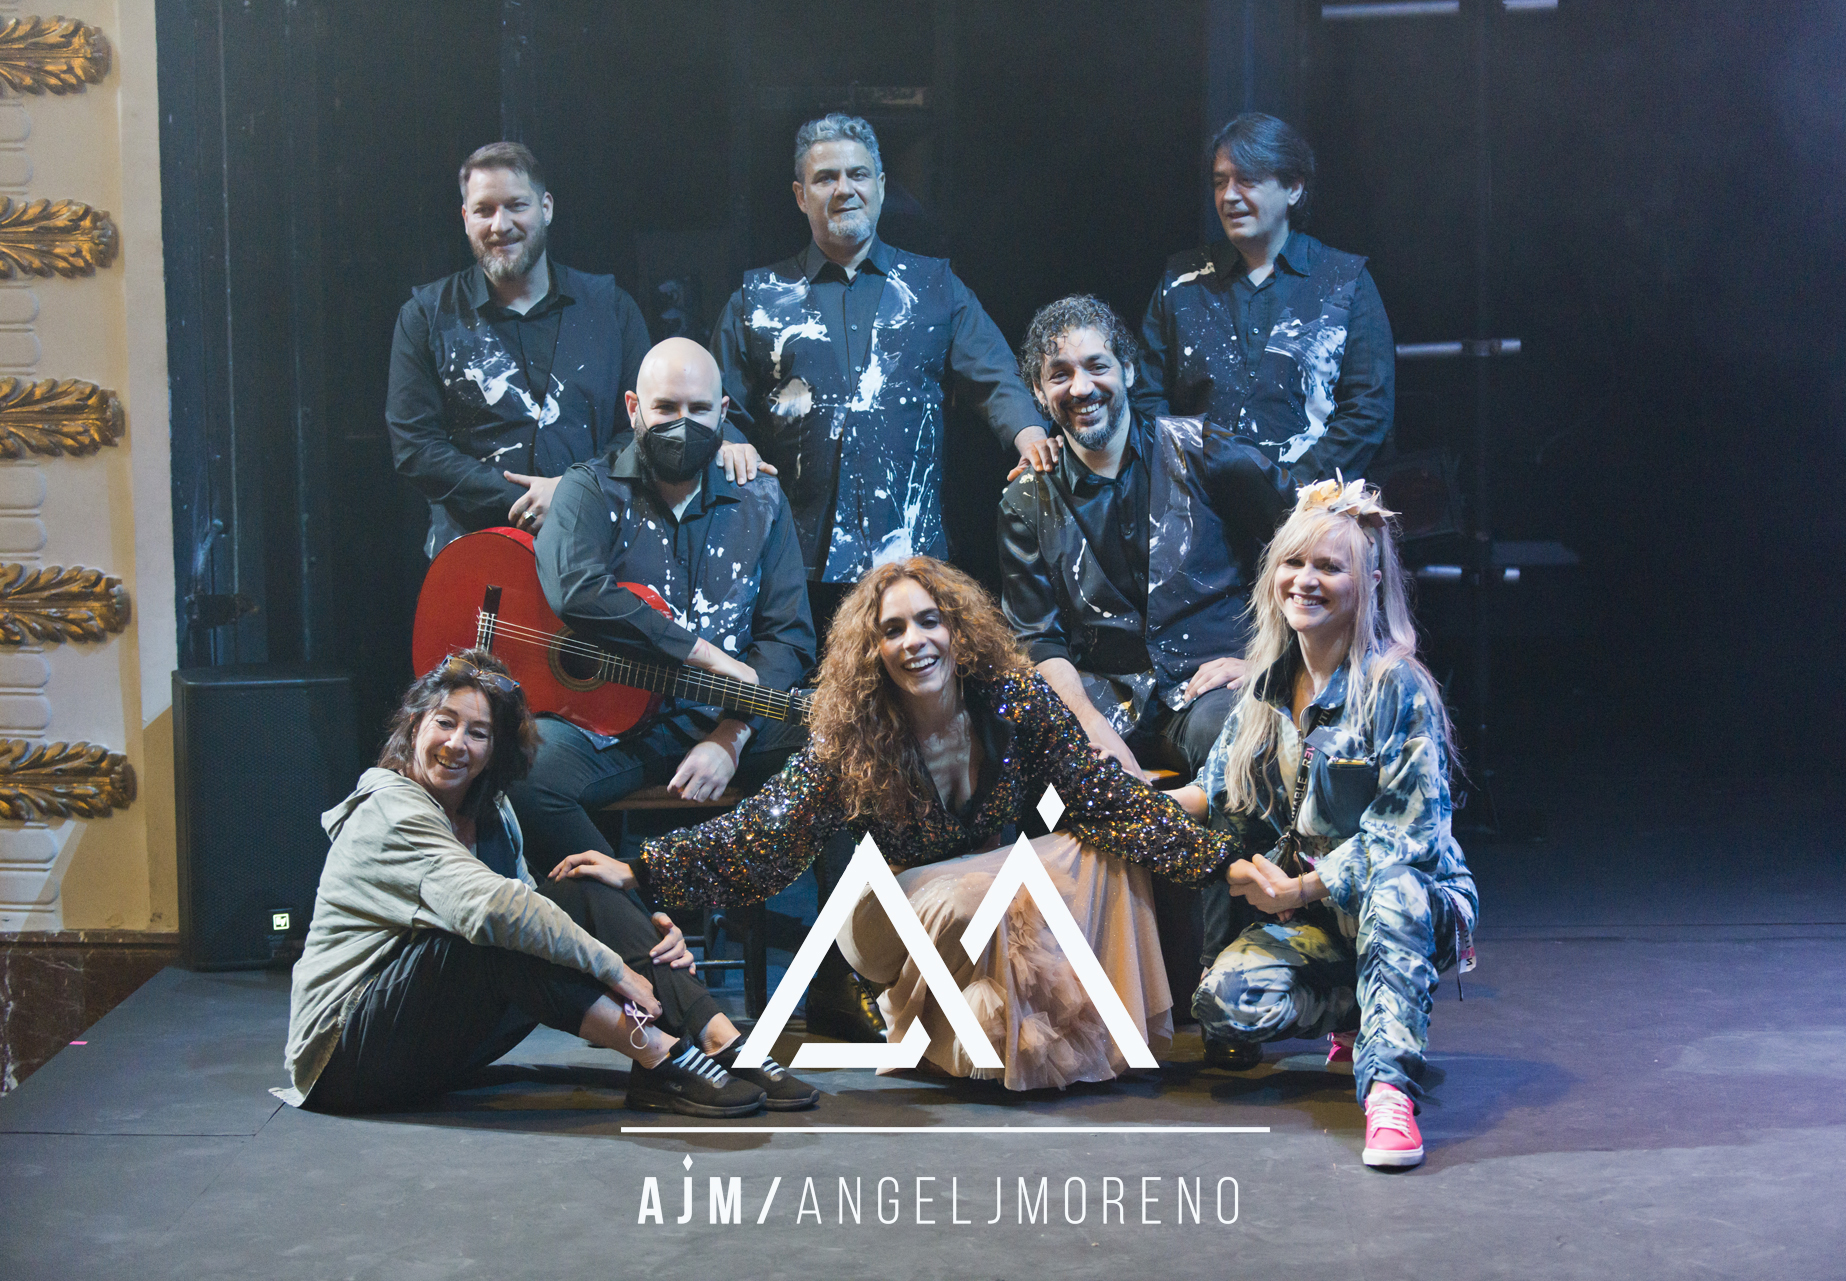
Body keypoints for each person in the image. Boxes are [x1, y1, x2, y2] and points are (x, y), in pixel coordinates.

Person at [549, 558, 1237, 1091]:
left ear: (958, 630)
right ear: (873, 649)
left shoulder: (1015, 701)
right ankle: (939, 1022)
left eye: (929, 621)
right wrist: (641, 868)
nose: (915, 642)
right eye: (893, 630)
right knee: (984, 891)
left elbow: (1101, 796)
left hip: (987, 906)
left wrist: (1223, 863)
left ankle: (988, 1032)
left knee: (1100, 844)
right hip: (891, 913)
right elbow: (768, 829)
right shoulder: (855, 730)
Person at [274, 649, 819, 1117]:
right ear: (415, 726)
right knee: (501, 929)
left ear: (496, 750)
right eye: (444, 722)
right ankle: (660, 1057)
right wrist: (618, 971)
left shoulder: (492, 812)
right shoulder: (389, 810)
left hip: (432, 1046)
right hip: (343, 1056)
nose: (456, 743)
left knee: (582, 883)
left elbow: (544, 913)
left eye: (478, 733)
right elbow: (494, 912)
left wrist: (645, 940)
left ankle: (720, 1037)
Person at [1168, 479, 1477, 1169]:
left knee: (1394, 888)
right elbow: (1209, 791)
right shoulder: (1266, 684)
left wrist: (1301, 888)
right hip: (1318, 917)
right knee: (1226, 1004)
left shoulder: (1397, 686)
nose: (1304, 580)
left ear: (1369, 582)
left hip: (1409, 900)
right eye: (1293, 562)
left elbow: (1409, 839)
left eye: (1328, 567)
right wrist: (1111, 802)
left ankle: (1390, 1091)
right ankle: (1361, 1007)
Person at [504, 337, 815, 883]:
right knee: (523, 774)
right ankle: (636, 912)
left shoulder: (762, 499)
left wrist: (731, 734)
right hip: (615, 726)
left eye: (699, 409)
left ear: (722, 412)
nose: (682, 424)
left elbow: (787, 635)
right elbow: (577, 589)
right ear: (634, 408)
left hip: (731, 717)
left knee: (852, 747)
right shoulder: (587, 489)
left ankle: (836, 936)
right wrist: (704, 655)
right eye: (666, 408)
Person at [711, 113, 1056, 597]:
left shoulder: (935, 286)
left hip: (914, 557)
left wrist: (1030, 436)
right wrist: (729, 440)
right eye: (825, 178)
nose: (844, 189)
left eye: (858, 174)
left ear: (881, 185)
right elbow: (713, 405)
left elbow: (996, 376)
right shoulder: (758, 296)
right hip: (794, 564)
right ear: (800, 195)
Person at [387, 141, 763, 559]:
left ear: (546, 208)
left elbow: (643, 424)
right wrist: (523, 500)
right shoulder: (426, 316)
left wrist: (573, 492)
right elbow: (415, 447)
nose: (500, 224)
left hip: (596, 550)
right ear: (465, 218)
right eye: (484, 210)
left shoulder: (611, 308)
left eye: (516, 205)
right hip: (473, 559)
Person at [1000, 294, 1294, 786]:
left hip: (1210, 691)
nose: (1081, 387)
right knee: (1035, 779)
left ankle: (1217, 837)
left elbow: (1311, 547)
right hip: (1104, 702)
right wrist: (1088, 724)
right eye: (1060, 374)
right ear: (1038, 391)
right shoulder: (1025, 501)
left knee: (1244, 739)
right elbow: (1038, 639)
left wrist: (1267, 664)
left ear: (1129, 371)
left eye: (1097, 366)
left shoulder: (1206, 453)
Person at [1134, 114, 1395, 484]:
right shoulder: (1182, 280)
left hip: (1310, 506)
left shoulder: (1345, 280)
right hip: (1200, 502)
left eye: (1247, 180)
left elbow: (1368, 410)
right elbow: (1147, 397)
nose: (1229, 196)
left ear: (1294, 189)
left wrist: (1291, 490)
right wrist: (1199, 478)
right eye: (1220, 182)